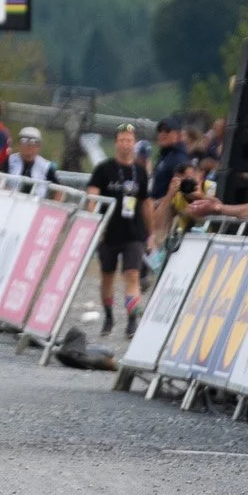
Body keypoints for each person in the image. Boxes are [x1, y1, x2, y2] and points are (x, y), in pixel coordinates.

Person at [87, 123, 149, 336]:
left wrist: (151, 233)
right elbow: (92, 197)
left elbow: (146, 203)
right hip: (109, 232)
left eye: (129, 140)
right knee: (107, 276)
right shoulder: (103, 169)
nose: (125, 144)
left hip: (133, 232)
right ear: (116, 143)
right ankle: (108, 317)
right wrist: (95, 223)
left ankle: (132, 320)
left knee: (132, 274)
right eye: (122, 140)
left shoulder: (140, 172)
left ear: (134, 143)